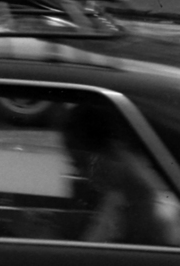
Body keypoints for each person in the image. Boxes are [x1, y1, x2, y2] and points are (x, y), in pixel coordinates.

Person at [63, 104, 180, 247]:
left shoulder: (157, 214)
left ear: (114, 152)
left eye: (82, 163)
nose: (83, 174)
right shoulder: (118, 198)